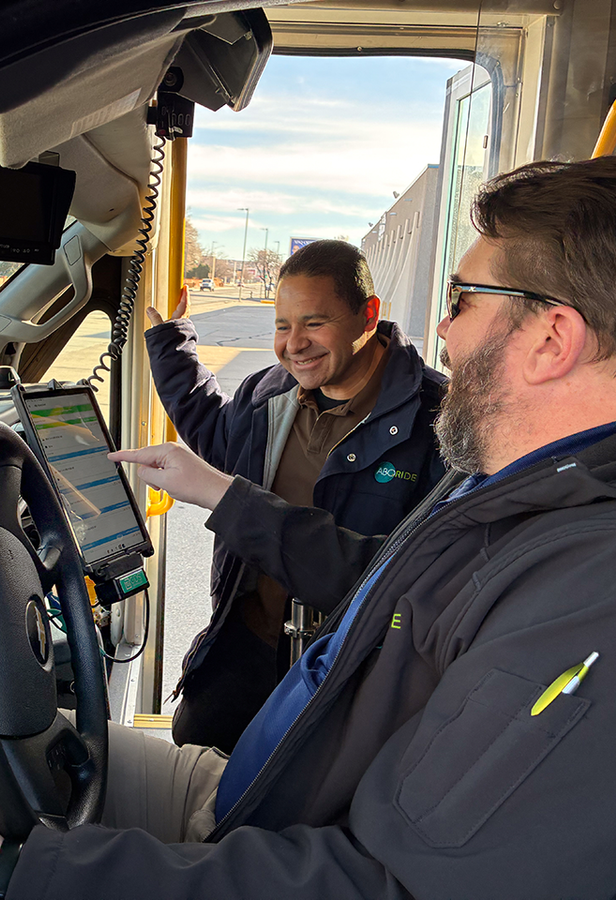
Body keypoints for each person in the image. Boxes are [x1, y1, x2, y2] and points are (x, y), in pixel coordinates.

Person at [0, 156, 616, 899]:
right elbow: (369, 577)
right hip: (268, 800)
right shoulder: (527, 487)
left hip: (294, 841)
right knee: (4, 752)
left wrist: (5, 877)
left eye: (464, 300)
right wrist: (218, 487)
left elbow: (395, 888)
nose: (442, 330)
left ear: (552, 339)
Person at [147, 239, 446, 751]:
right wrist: (173, 350)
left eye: (314, 322)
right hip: (243, 646)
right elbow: (221, 438)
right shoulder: (269, 390)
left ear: (368, 315)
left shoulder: (439, 422)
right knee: (194, 777)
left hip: (345, 679)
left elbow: (404, 582)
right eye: (282, 326)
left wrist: (224, 497)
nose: (294, 344)